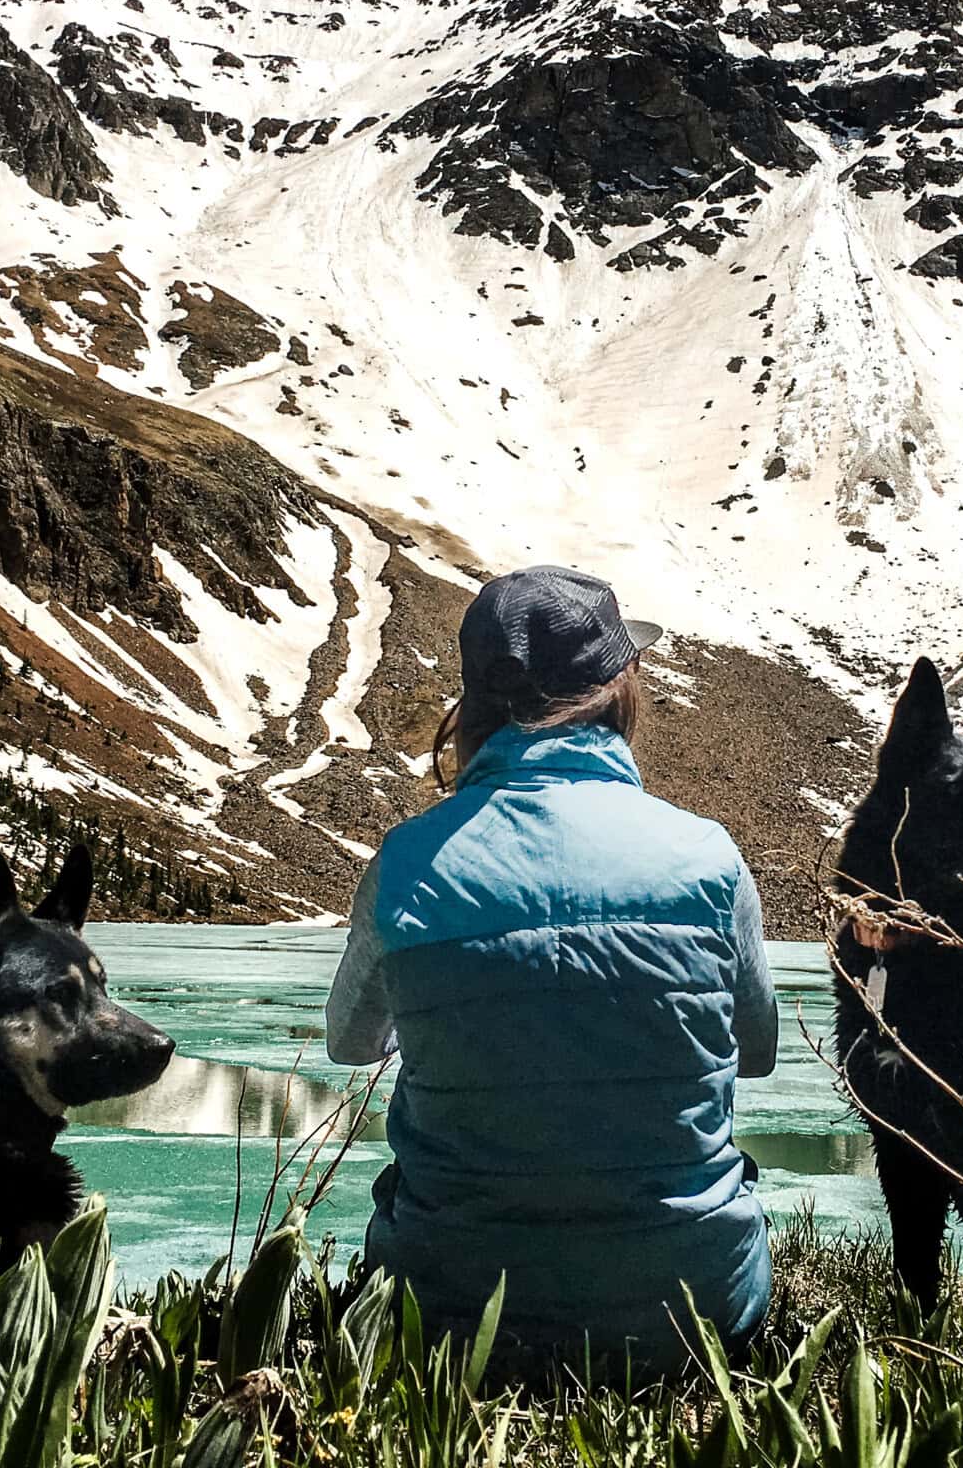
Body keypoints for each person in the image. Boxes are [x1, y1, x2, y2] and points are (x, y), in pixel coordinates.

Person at [326, 565, 779, 1377]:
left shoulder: (406, 864)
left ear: (477, 704)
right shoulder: (708, 856)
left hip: (448, 1317)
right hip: (693, 1310)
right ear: (618, 691)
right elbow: (756, 1052)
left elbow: (352, 1046)